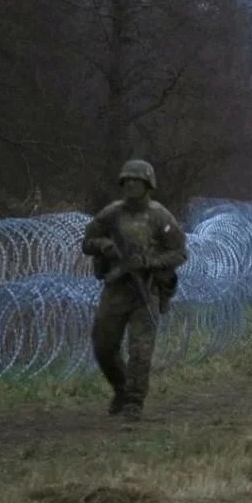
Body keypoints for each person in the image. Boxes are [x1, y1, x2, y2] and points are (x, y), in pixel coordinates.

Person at [82, 159, 188, 421]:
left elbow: (179, 252)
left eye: (136, 181)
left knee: (141, 349)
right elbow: (87, 242)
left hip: (146, 288)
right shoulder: (111, 214)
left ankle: (134, 401)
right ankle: (121, 388)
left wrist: (149, 262)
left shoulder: (160, 216)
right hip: (116, 287)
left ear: (147, 184)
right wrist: (104, 245)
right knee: (103, 345)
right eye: (127, 180)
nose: (130, 185)